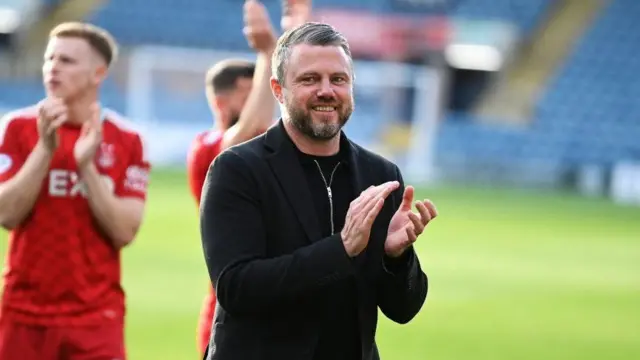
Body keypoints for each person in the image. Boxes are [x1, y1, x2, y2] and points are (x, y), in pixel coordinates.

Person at [199, 21, 438, 360]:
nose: (327, 90)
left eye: (338, 79)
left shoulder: (381, 175)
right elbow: (236, 288)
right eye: (309, 79)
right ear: (279, 90)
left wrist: (396, 258)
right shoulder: (237, 169)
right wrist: (341, 250)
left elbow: (404, 309)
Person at [0, 22, 150, 360]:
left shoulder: (127, 140)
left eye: (67, 61)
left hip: (97, 318)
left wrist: (87, 166)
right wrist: (44, 151)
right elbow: (6, 215)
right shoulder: (18, 128)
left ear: (98, 73)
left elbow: (125, 230)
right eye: (49, 58)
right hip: (24, 314)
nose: (53, 67)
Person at [186, 0, 311, 357]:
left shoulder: (276, 147)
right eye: (253, 90)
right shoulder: (207, 148)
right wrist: (268, 53)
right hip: (230, 310)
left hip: (287, 304)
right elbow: (249, 130)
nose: (267, 98)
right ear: (222, 102)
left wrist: (295, 37)